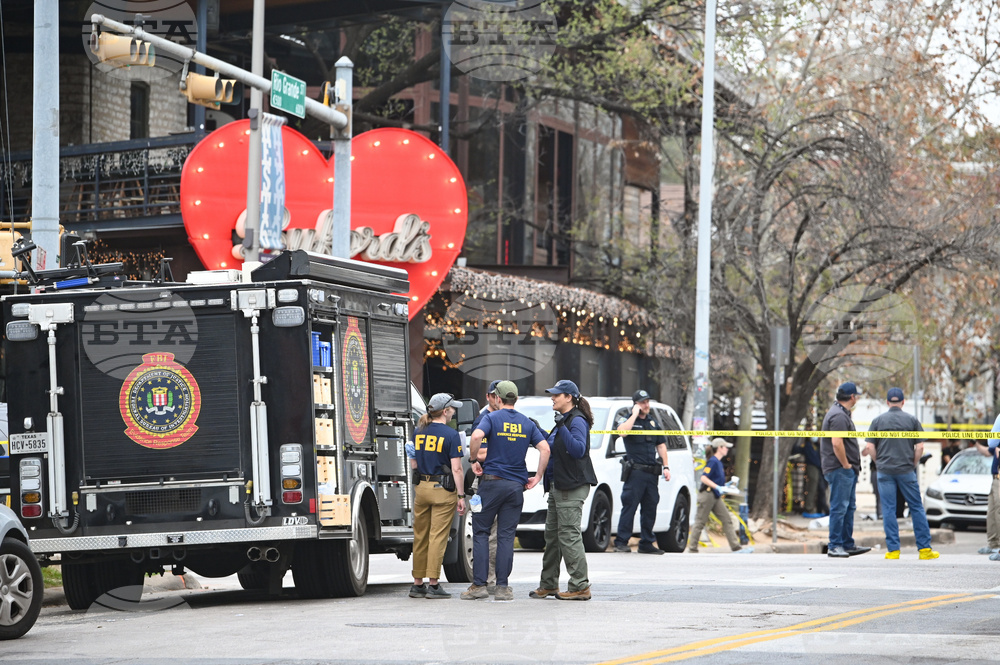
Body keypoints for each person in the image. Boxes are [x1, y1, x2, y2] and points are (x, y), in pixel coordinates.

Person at [462, 381, 550, 601]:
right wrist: (537, 476)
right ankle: (502, 587)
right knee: (506, 536)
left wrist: (473, 459)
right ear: (516, 399)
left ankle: (479, 585)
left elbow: (475, 437)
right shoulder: (526, 423)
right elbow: (545, 448)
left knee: (481, 532)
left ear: (498, 399)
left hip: (491, 483)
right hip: (515, 487)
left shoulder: (491, 418)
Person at [529, 380, 598, 601]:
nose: (552, 397)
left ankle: (580, 586)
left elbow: (578, 449)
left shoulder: (577, 420)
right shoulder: (566, 420)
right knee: (552, 537)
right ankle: (548, 584)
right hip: (559, 486)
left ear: (569, 397)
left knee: (568, 536)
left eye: (556, 394)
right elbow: (552, 444)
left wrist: (561, 427)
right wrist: (537, 429)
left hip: (571, 486)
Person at [863, 388, 939, 560]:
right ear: (903, 402)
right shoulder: (911, 420)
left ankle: (893, 550)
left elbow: (869, 447)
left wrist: (878, 462)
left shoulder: (877, 421)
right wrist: (913, 463)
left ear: (888, 402)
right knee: (916, 507)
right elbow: (920, 447)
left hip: (884, 471)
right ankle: (925, 550)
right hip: (906, 470)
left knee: (888, 509)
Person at [408, 393, 467, 598]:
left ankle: (417, 583)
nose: (453, 412)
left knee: (420, 535)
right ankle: (433, 584)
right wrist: (461, 496)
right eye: (452, 409)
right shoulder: (451, 435)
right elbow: (457, 469)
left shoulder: (419, 431)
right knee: (437, 536)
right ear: (445, 411)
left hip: (421, 489)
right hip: (442, 490)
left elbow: (414, 463)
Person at [611, 389, 672, 555]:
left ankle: (646, 542)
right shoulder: (627, 419)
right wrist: (634, 414)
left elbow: (661, 445)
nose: (646, 405)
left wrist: (666, 467)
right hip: (635, 472)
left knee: (650, 507)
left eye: (647, 402)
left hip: (652, 473)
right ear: (636, 404)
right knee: (629, 506)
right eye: (643, 402)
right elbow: (622, 432)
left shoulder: (653, 423)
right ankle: (622, 542)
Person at [820, 382, 871, 558]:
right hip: (840, 469)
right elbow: (836, 442)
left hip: (843, 469)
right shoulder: (839, 416)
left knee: (848, 507)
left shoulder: (840, 413)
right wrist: (846, 464)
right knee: (839, 507)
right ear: (852, 397)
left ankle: (846, 544)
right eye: (856, 395)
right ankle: (835, 545)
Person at [686, 438, 747, 553]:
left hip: (715, 495)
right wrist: (717, 487)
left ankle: (736, 547)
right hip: (708, 494)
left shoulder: (718, 462)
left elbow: (716, 480)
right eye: (725, 447)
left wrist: (726, 486)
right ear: (719, 448)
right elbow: (704, 477)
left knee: (726, 520)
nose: (727, 449)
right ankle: (692, 548)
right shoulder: (713, 461)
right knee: (700, 521)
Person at [470, 379, 502, 594]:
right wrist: (507, 451)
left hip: (502, 480)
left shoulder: (504, 419)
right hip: (485, 481)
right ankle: (488, 580)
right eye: (495, 395)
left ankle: (495, 579)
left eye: (502, 396)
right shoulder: (484, 420)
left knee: (500, 534)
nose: (498, 400)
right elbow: (479, 453)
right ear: (488, 397)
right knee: (487, 533)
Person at [976, 412, 1000, 559]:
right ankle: (994, 544)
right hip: (995, 476)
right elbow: (989, 450)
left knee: (998, 510)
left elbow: (991, 443)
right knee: (992, 510)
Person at [793, 436, 827, 518]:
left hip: (819, 469)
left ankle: (820, 509)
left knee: (820, 489)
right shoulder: (807, 445)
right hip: (812, 467)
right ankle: (809, 509)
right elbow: (796, 450)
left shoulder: (817, 446)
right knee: (812, 488)